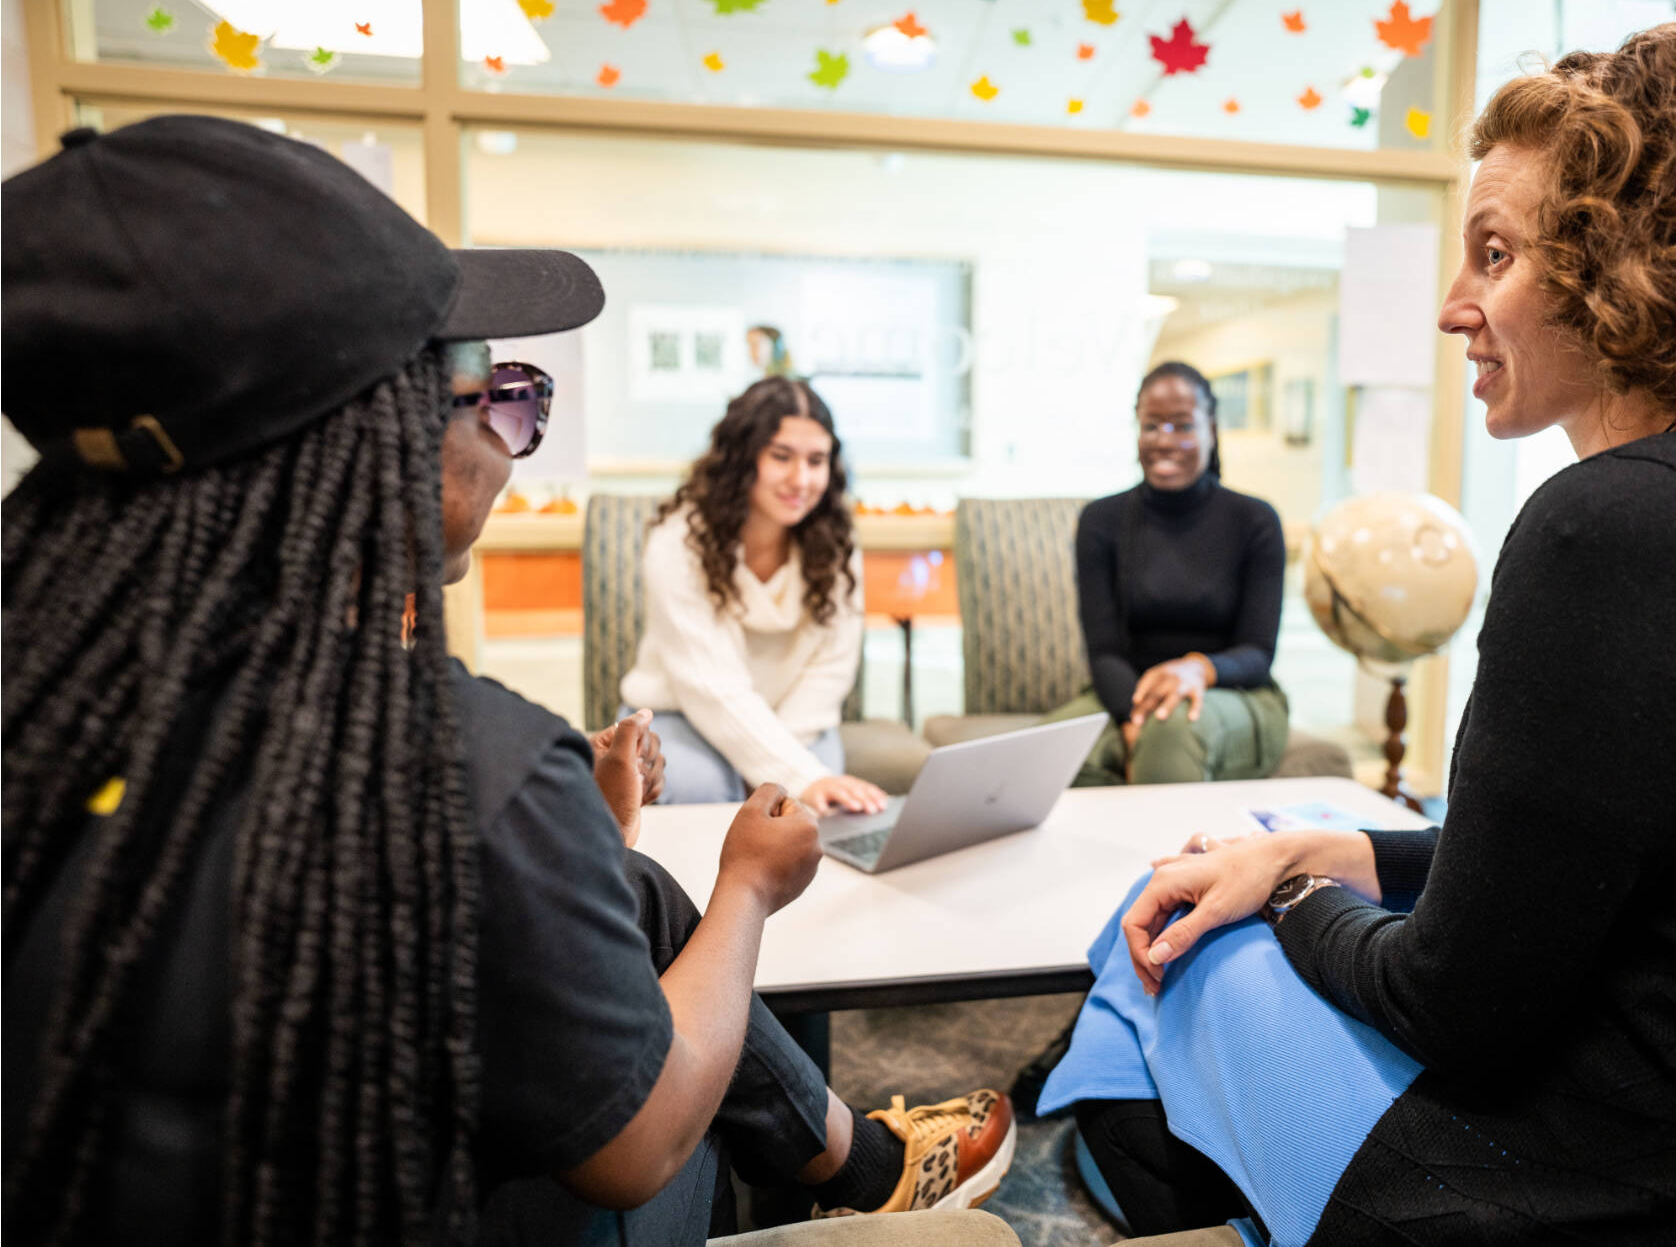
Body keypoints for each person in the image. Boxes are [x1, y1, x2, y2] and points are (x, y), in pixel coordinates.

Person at [1052, 22, 1676, 1243]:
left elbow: (1448, 1005)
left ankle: (1115, 1141)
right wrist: (1341, 853)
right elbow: (1587, 858)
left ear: (1622, 265)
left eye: (1492, 255)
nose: (1452, 308)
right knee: (1268, 850)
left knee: (1189, 943)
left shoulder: (1618, 520)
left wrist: (1290, 890)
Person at [1, 116, 1012, 1247]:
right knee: (688, 1045)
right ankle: (849, 1170)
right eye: (499, 393)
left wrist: (576, 841)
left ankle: (851, 1160)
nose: (509, 440)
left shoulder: (49, 696)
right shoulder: (475, 769)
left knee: (629, 887)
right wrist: (744, 888)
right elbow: (634, 1150)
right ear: (377, 436)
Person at [620, 377, 888, 815]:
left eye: (816, 460)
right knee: (705, 789)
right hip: (681, 714)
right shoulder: (678, 541)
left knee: (814, 807)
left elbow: (831, 669)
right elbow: (708, 685)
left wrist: (780, 766)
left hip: (797, 722)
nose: (801, 479)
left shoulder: (837, 541)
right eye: (781, 456)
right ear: (743, 457)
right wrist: (785, 771)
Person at [1049, 361, 1289, 787]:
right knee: (1037, 756)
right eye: (1151, 426)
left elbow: (1257, 652)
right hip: (1129, 692)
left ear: (1210, 429)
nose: (1164, 440)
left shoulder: (1255, 520)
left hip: (1232, 692)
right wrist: (1132, 715)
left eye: (1182, 426)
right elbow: (1104, 652)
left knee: (1169, 731)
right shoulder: (1101, 521)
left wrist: (1196, 670)